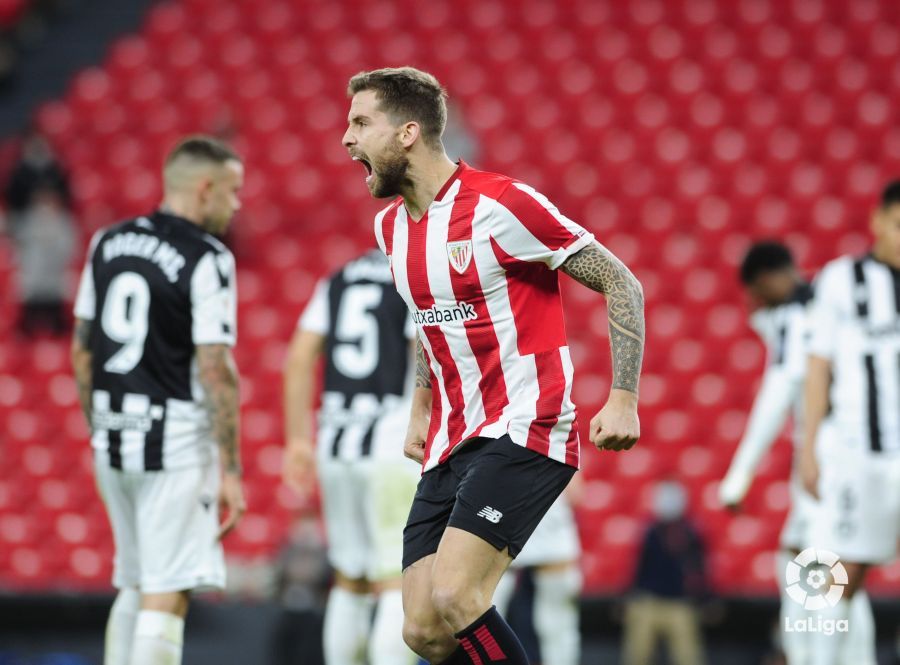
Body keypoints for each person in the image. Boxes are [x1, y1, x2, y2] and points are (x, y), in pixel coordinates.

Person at [342, 66, 645, 665]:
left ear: (407, 132)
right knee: (423, 630)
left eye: (359, 122)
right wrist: (421, 409)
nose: (345, 139)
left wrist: (623, 397)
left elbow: (620, 281)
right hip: (452, 440)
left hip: (525, 423)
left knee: (458, 593)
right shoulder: (389, 229)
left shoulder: (501, 204)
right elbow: (430, 323)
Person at [70, 135, 246, 665]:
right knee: (167, 593)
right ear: (206, 188)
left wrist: (99, 426)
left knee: (136, 577)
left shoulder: (107, 241)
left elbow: (82, 352)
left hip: (114, 437)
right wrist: (232, 469)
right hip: (174, 442)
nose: (236, 205)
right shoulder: (208, 256)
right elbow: (216, 367)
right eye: (233, 193)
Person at [719, 241, 875, 664]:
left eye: (757, 291)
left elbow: (779, 390)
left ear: (767, 279)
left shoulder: (797, 315)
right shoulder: (833, 308)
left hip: (826, 456)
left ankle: (811, 656)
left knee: (819, 567)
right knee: (837, 567)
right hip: (856, 450)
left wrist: (740, 473)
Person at [282, 249, 420, 665]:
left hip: (336, 445)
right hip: (391, 446)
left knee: (349, 579)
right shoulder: (412, 278)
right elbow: (428, 358)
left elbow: (300, 355)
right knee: (398, 581)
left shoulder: (339, 278)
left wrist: (297, 440)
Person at [801, 180, 900, 665]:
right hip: (860, 451)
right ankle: (822, 658)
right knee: (843, 572)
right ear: (878, 221)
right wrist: (808, 446)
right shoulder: (842, 280)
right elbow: (818, 367)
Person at [491, 489, 582, 665]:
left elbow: (576, 493)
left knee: (556, 624)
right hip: (522, 514)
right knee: (556, 624)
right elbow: (577, 492)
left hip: (513, 515)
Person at [622, 481, 707, 665]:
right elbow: (640, 568)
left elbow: (698, 570)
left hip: (680, 604)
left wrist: (704, 598)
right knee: (637, 655)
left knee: (688, 657)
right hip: (648, 601)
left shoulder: (691, 533)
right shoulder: (650, 532)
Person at [13, 184, 77, 335]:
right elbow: (17, 246)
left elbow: (70, 250)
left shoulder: (64, 223)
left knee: (59, 322)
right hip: (33, 279)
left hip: (56, 279)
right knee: (26, 323)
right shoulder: (28, 223)